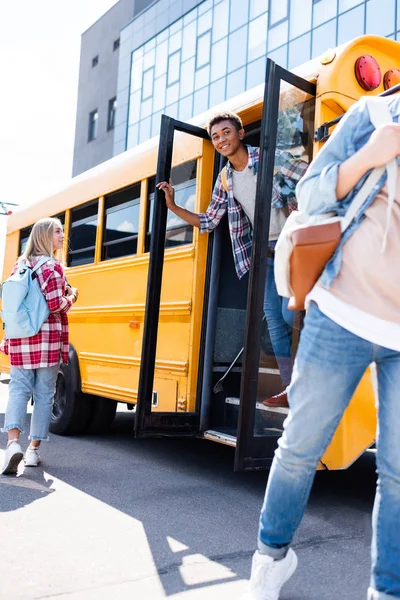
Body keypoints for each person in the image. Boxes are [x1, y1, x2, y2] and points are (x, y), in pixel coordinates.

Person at [243, 94, 400, 600]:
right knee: (300, 448)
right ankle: (271, 559)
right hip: (342, 312)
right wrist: (368, 157)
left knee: (397, 475)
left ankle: (386, 589)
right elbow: (309, 194)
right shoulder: (376, 115)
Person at [157, 111, 308, 408]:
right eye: (215, 136)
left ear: (240, 133)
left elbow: (309, 176)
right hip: (262, 254)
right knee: (276, 324)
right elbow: (210, 221)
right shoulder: (226, 178)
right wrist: (172, 205)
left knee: (292, 315)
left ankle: (314, 373)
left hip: (291, 246)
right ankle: (293, 387)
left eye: (226, 132)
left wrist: (297, 208)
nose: (221, 140)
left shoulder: (269, 158)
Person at [0, 217, 78, 475]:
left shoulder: (20, 265)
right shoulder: (52, 267)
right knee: (45, 394)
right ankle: (32, 451)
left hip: (20, 338)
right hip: (45, 340)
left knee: (19, 390)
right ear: (44, 236)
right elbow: (56, 304)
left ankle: (12, 444)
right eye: (57, 231)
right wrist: (73, 296)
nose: (62, 235)